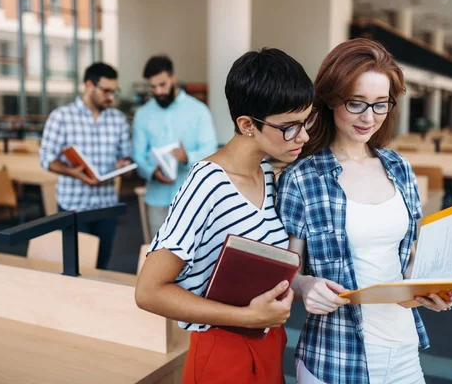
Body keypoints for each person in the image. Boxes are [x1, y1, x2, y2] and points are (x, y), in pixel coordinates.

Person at [276, 38, 452, 384]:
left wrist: (429, 289)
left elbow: (408, 258)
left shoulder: (399, 167)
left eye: (381, 105)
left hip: (403, 349)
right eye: (356, 103)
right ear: (331, 99)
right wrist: (305, 284)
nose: (369, 117)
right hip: (335, 358)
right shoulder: (302, 178)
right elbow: (286, 271)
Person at [135, 48, 316, 384]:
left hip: (268, 342)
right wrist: (244, 317)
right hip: (222, 350)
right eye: (290, 127)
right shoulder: (207, 184)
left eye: (306, 121)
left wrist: (301, 285)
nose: (303, 135)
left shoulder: (267, 173)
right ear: (247, 124)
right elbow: (148, 291)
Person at [40, 62, 132, 269]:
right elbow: (46, 158)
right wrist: (72, 172)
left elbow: (126, 156)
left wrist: (124, 164)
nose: (111, 97)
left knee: (101, 266)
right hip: (74, 205)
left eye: (114, 91)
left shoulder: (118, 120)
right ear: (89, 85)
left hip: (106, 205)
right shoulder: (61, 117)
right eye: (106, 91)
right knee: (75, 266)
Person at [132, 55, 217, 238]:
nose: (158, 91)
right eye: (153, 87)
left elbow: (211, 151)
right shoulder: (142, 115)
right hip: (157, 200)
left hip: (193, 199)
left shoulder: (199, 111)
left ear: (173, 78)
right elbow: (138, 156)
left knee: (196, 257)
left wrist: (187, 157)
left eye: (162, 84)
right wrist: (152, 172)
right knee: (159, 254)